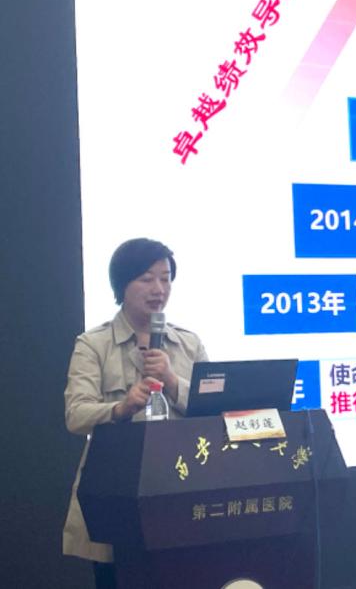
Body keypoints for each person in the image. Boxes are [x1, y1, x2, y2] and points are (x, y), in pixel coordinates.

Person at [63, 238, 208, 587]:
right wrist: (121, 407)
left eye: (166, 278)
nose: (159, 289)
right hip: (117, 494)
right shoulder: (93, 345)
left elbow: (213, 412)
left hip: (180, 491)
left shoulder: (188, 344)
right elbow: (76, 415)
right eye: (147, 279)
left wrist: (172, 381)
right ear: (122, 285)